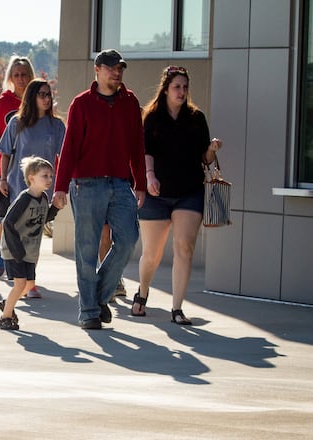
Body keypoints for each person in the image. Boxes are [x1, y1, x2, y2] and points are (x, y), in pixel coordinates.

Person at [51, 49, 147, 330]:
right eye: (111, 68)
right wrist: (60, 187)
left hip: (120, 183)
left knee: (128, 239)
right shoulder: (82, 104)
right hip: (86, 184)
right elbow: (68, 148)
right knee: (87, 250)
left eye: (120, 69)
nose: (117, 73)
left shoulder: (130, 102)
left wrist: (140, 183)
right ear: (98, 69)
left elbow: (137, 147)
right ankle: (89, 312)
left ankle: (99, 296)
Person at [133, 65, 223, 325]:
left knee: (185, 248)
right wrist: (149, 176)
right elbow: (146, 151)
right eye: (177, 87)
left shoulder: (196, 118)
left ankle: (177, 308)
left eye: (185, 87)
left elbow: (205, 159)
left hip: (189, 192)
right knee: (152, 253)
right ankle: (143, 291)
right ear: (166, 89)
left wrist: (212, 149)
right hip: (157, 193)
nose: (182, 92)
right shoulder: (152, 117)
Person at [0, 78, 65, 299]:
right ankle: (25, 279)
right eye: (42, 94)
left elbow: (64, 157)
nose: (46, 99)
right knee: (21, 230)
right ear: (32, 97)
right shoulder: (17, 123)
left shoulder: (56, 126)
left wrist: (63, 185)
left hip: (44, 187)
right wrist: (2, 178)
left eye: (48, 94)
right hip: (19, 184)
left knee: (33, 233)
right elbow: (5, 152)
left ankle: (19, 270)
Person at [0, 55, 35, 278]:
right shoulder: (1, 104)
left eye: (24, 74)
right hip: (8, 172)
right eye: (17, 75)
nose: (21, 78)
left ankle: (22, 262)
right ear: (10, 78)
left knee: (29, 221)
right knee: (8, 218)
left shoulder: (38, 103)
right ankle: (3, 252)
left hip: (34, 174)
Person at [0, 156, 58, 330]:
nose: (49, 179)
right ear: (31, 178)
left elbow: (43, 218)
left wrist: (56, 208)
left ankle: (8, 304)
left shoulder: (44, 198)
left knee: (27, 285)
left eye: (50, 176)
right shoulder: (24, 198)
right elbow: (8, 223)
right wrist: (16, 250)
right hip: (15, 250)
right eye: (44, 176)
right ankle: (5, 317)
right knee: (20, 284)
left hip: (30, 251)